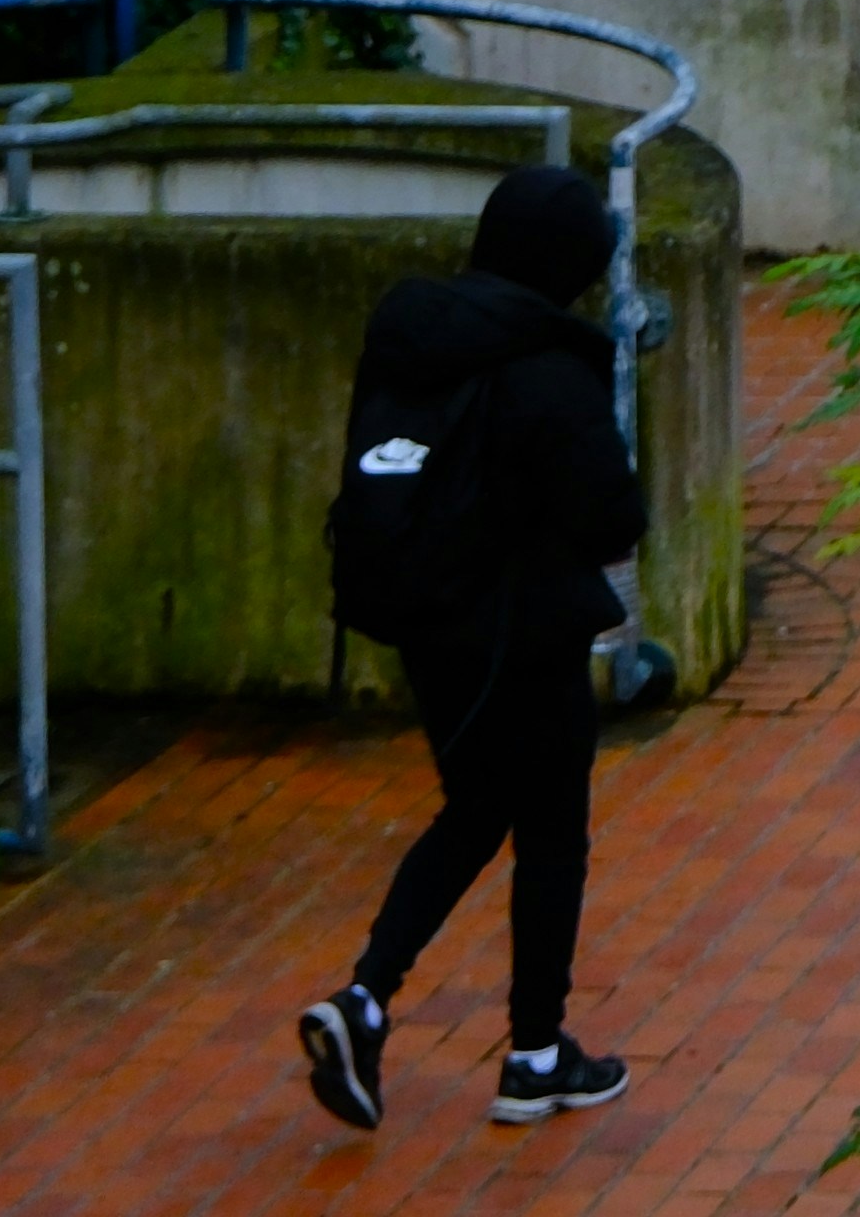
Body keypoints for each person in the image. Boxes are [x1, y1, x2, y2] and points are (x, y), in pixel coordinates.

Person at [296, 161, 647, 1129]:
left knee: (474, 808)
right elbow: (616, 517)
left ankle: (363, 999)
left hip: (426, 624)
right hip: (526, 635)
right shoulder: (549, 360)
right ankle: (534, 1056)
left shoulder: (410, 334)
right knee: (551, 838)